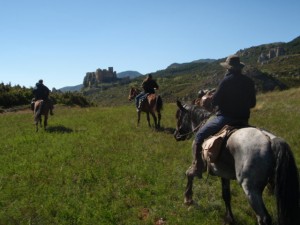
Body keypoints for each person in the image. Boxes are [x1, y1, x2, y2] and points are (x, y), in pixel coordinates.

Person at [186, 55, 256, 178]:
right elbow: (253, 103)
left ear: (228, 68)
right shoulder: (249, 81)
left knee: (199, 136)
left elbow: (215, 101)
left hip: (225, 118)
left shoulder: (226, 81)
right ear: (239, 67)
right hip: (244, 119)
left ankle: (197, 167)